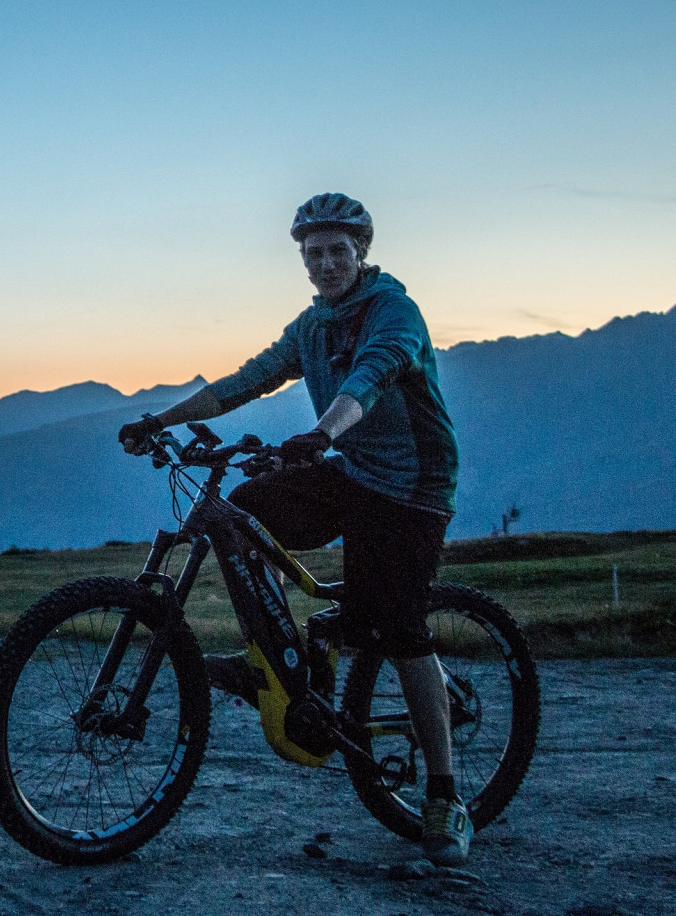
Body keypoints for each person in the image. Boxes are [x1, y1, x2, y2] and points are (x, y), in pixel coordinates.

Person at [118, 193, 471, 866]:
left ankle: (445, 796)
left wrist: (320, 433)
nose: (327, 263)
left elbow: (371, 377)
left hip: (413, 487)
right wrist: (157, 421)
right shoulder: (310, 328)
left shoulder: (394, 311)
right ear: (304, 262)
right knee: (244, 508)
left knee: (397, 628)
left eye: (339, 250)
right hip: (354, 469)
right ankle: (279, 663)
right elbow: (243, 382)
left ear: (361, 253)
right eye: (315, 254)